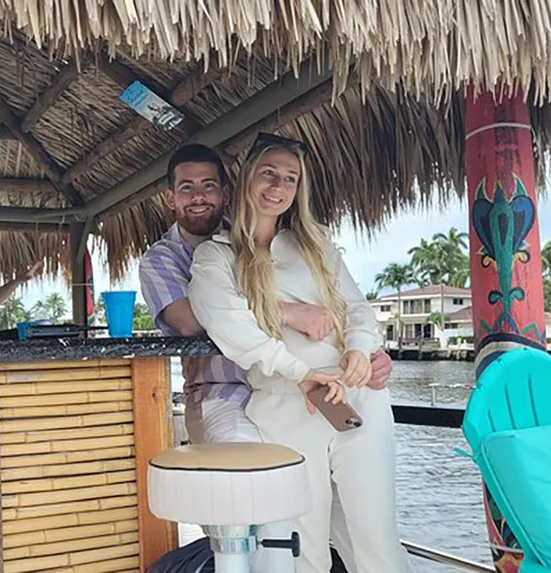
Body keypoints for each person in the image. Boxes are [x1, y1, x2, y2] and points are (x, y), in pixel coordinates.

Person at [138, 143, 394, 572]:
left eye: (207, 185)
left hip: (337, 392)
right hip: (235, 392)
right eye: (187, 187)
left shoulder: (309, 245)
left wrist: (363, 350)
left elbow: (355, 309)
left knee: (369, 531)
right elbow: (197, 319)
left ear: (224, 190)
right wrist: (286, 314)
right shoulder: (195, 257)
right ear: (172, 197)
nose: (198, 195)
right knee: (277, 525)